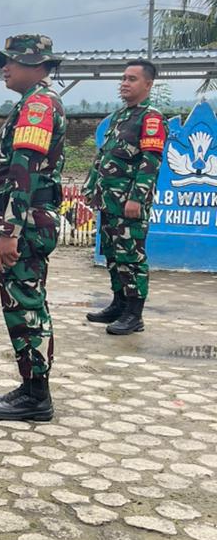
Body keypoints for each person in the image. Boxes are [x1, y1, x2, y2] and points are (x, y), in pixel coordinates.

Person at [0, 34, 66, 423]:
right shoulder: (34, 102)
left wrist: (9, 231)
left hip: (26, 223)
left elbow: (24, 172)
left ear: (37, 64)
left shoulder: (38, 105)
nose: (5, 67)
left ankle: (36, 396)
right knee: (27, 302)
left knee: (25, 305)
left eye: (11, 61)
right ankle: (32, 386)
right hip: (30, 222)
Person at [82, 59, 164, 335]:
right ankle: (118, 304)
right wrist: (91, 188)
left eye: (132, 79)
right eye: (123, 78)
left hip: (129, 203)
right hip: (109, 201)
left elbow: (150, 162)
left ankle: (134, 314)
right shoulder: (120, 116)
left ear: (148, 84)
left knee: (131, 256)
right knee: (113, 254)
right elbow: (103, 156)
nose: (124, 83)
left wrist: (137, 198)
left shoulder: (151, 118)